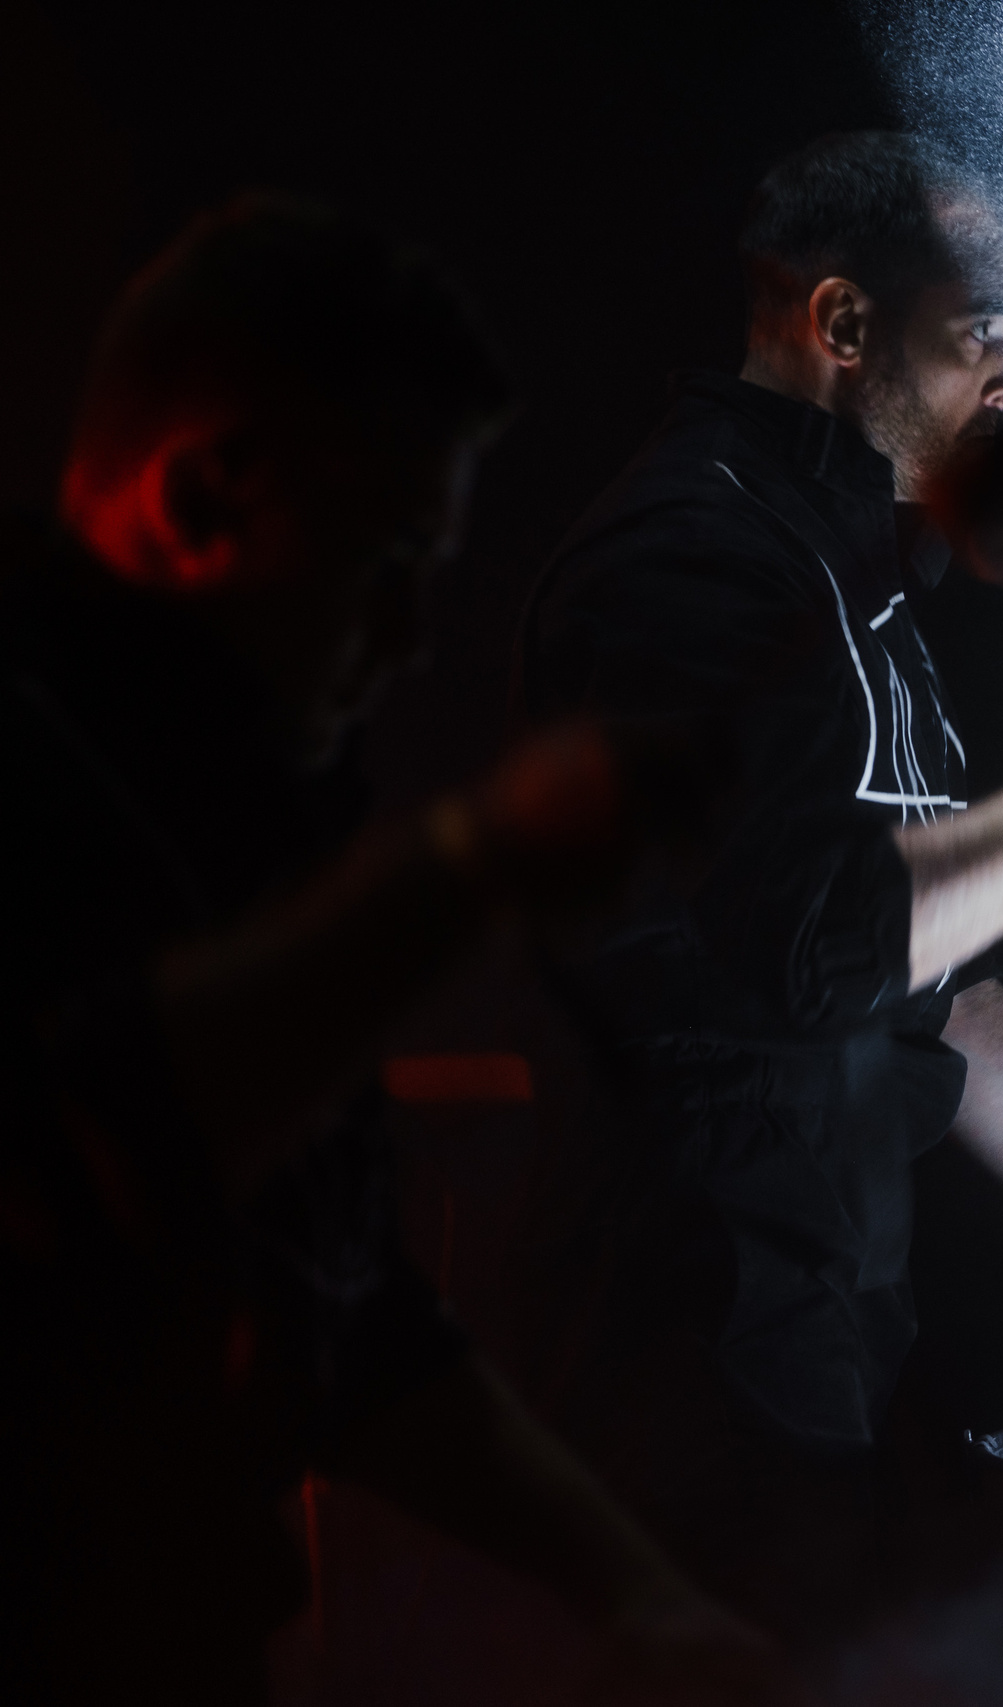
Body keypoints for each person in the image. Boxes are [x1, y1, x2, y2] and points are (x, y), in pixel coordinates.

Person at [0, 195, 806, 1706]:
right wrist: (474, 863)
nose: (415, 636)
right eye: (381, 560)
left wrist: (642, 1600)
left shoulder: (241, 822)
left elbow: (349, 1301)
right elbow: (80, 1130)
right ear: (207, 495)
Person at [512, 132, 1003, 1640]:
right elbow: (821, 947)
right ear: (845, 325)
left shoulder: (853, 570)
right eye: (979, 329)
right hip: (688, 1397)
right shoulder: (685, 563)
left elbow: (937, 970)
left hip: (838, 1373)